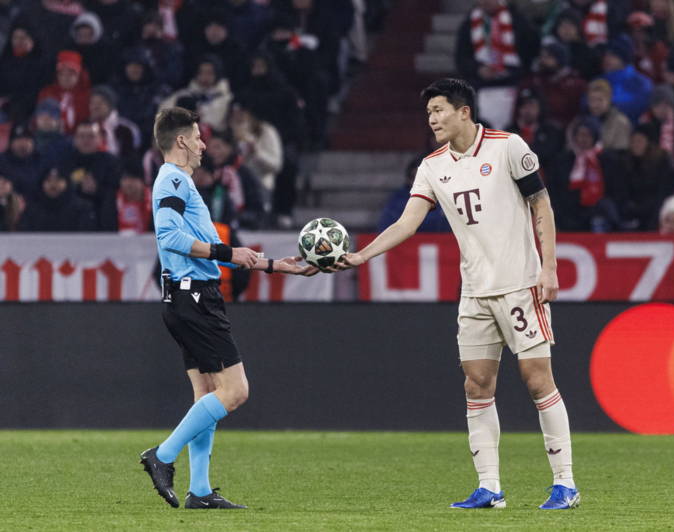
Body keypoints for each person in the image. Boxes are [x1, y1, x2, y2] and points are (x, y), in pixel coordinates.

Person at [333, 79, 579, 510]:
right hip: (475, 292)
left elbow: (542, 205)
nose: (432, 120)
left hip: (521, 284)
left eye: (439, 110)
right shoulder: (432, 166)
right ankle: (490, 488)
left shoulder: (508, 147)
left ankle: (565, 484)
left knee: (538, 380)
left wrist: (550, 267)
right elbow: (407, 223)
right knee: (477, 384)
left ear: (464, 111)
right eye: (428, 113)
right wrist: (362, 255)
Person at [139, 107, 316, 510]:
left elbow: (202, 244)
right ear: (181, 140)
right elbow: (168, 236)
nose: (203, 144)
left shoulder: (179, 181)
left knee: (207, 396)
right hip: (195, 298)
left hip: (185, 297)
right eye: (198, 137)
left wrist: (275, 265)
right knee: (235, 392)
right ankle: (162, 456)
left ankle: (199, 491)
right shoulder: (172, 178)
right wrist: (226, 250)